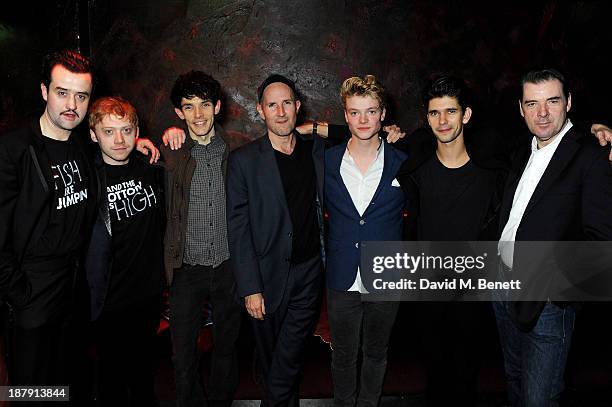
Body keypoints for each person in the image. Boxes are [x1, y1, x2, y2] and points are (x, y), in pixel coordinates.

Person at [494, 68, 612, 406]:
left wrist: (555, 290)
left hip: (547, 302)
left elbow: (602, 240)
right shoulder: (521, 150)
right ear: (521, 108)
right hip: (503, 288)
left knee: (539, 398)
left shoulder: (592, 154)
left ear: (569, 103)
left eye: (552, 101)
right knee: (515, 385)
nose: (542, 113)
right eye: (532, 103)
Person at [227, 74, 326, 406]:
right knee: (275, 364)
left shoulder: (316, 153)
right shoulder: (244, 161)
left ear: (298, 107)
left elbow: (359, 131)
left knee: (286, 362)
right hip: (265, 279)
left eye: (287, 103)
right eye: (272, 105)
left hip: (308, 274)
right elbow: (237, 228)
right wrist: (249, 287)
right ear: (260, 110)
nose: (281, 112)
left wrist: (315, 129)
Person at [324, 75, 407, 407]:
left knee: (376, 353)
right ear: (345, 115)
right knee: (342, 357)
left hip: (386, 276)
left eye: (370, 111)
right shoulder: (326, 160)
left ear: (382, 114)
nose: (362, 120)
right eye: (355, 112)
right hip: (341, 276)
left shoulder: (404, 160)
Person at [162, 71, 241, 407]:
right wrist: (141, 141)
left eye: (205, 105)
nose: (198, 115)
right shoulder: (171, 152)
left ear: (217, 107)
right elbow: (126, 150)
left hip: (228, 267)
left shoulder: (235, 151)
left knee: (227, 348)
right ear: (179, 112)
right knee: (182, 356)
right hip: (186, 270)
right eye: (189, 107)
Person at [85, 96, 165, 406]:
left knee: (144, 378)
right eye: (108, 132)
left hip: (148, 295)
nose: (119, 140)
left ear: (137, 131)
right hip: (108, 301)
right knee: (111, 383)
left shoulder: (151, 167)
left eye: (127, 130)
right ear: (93, 135)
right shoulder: (87, 178)